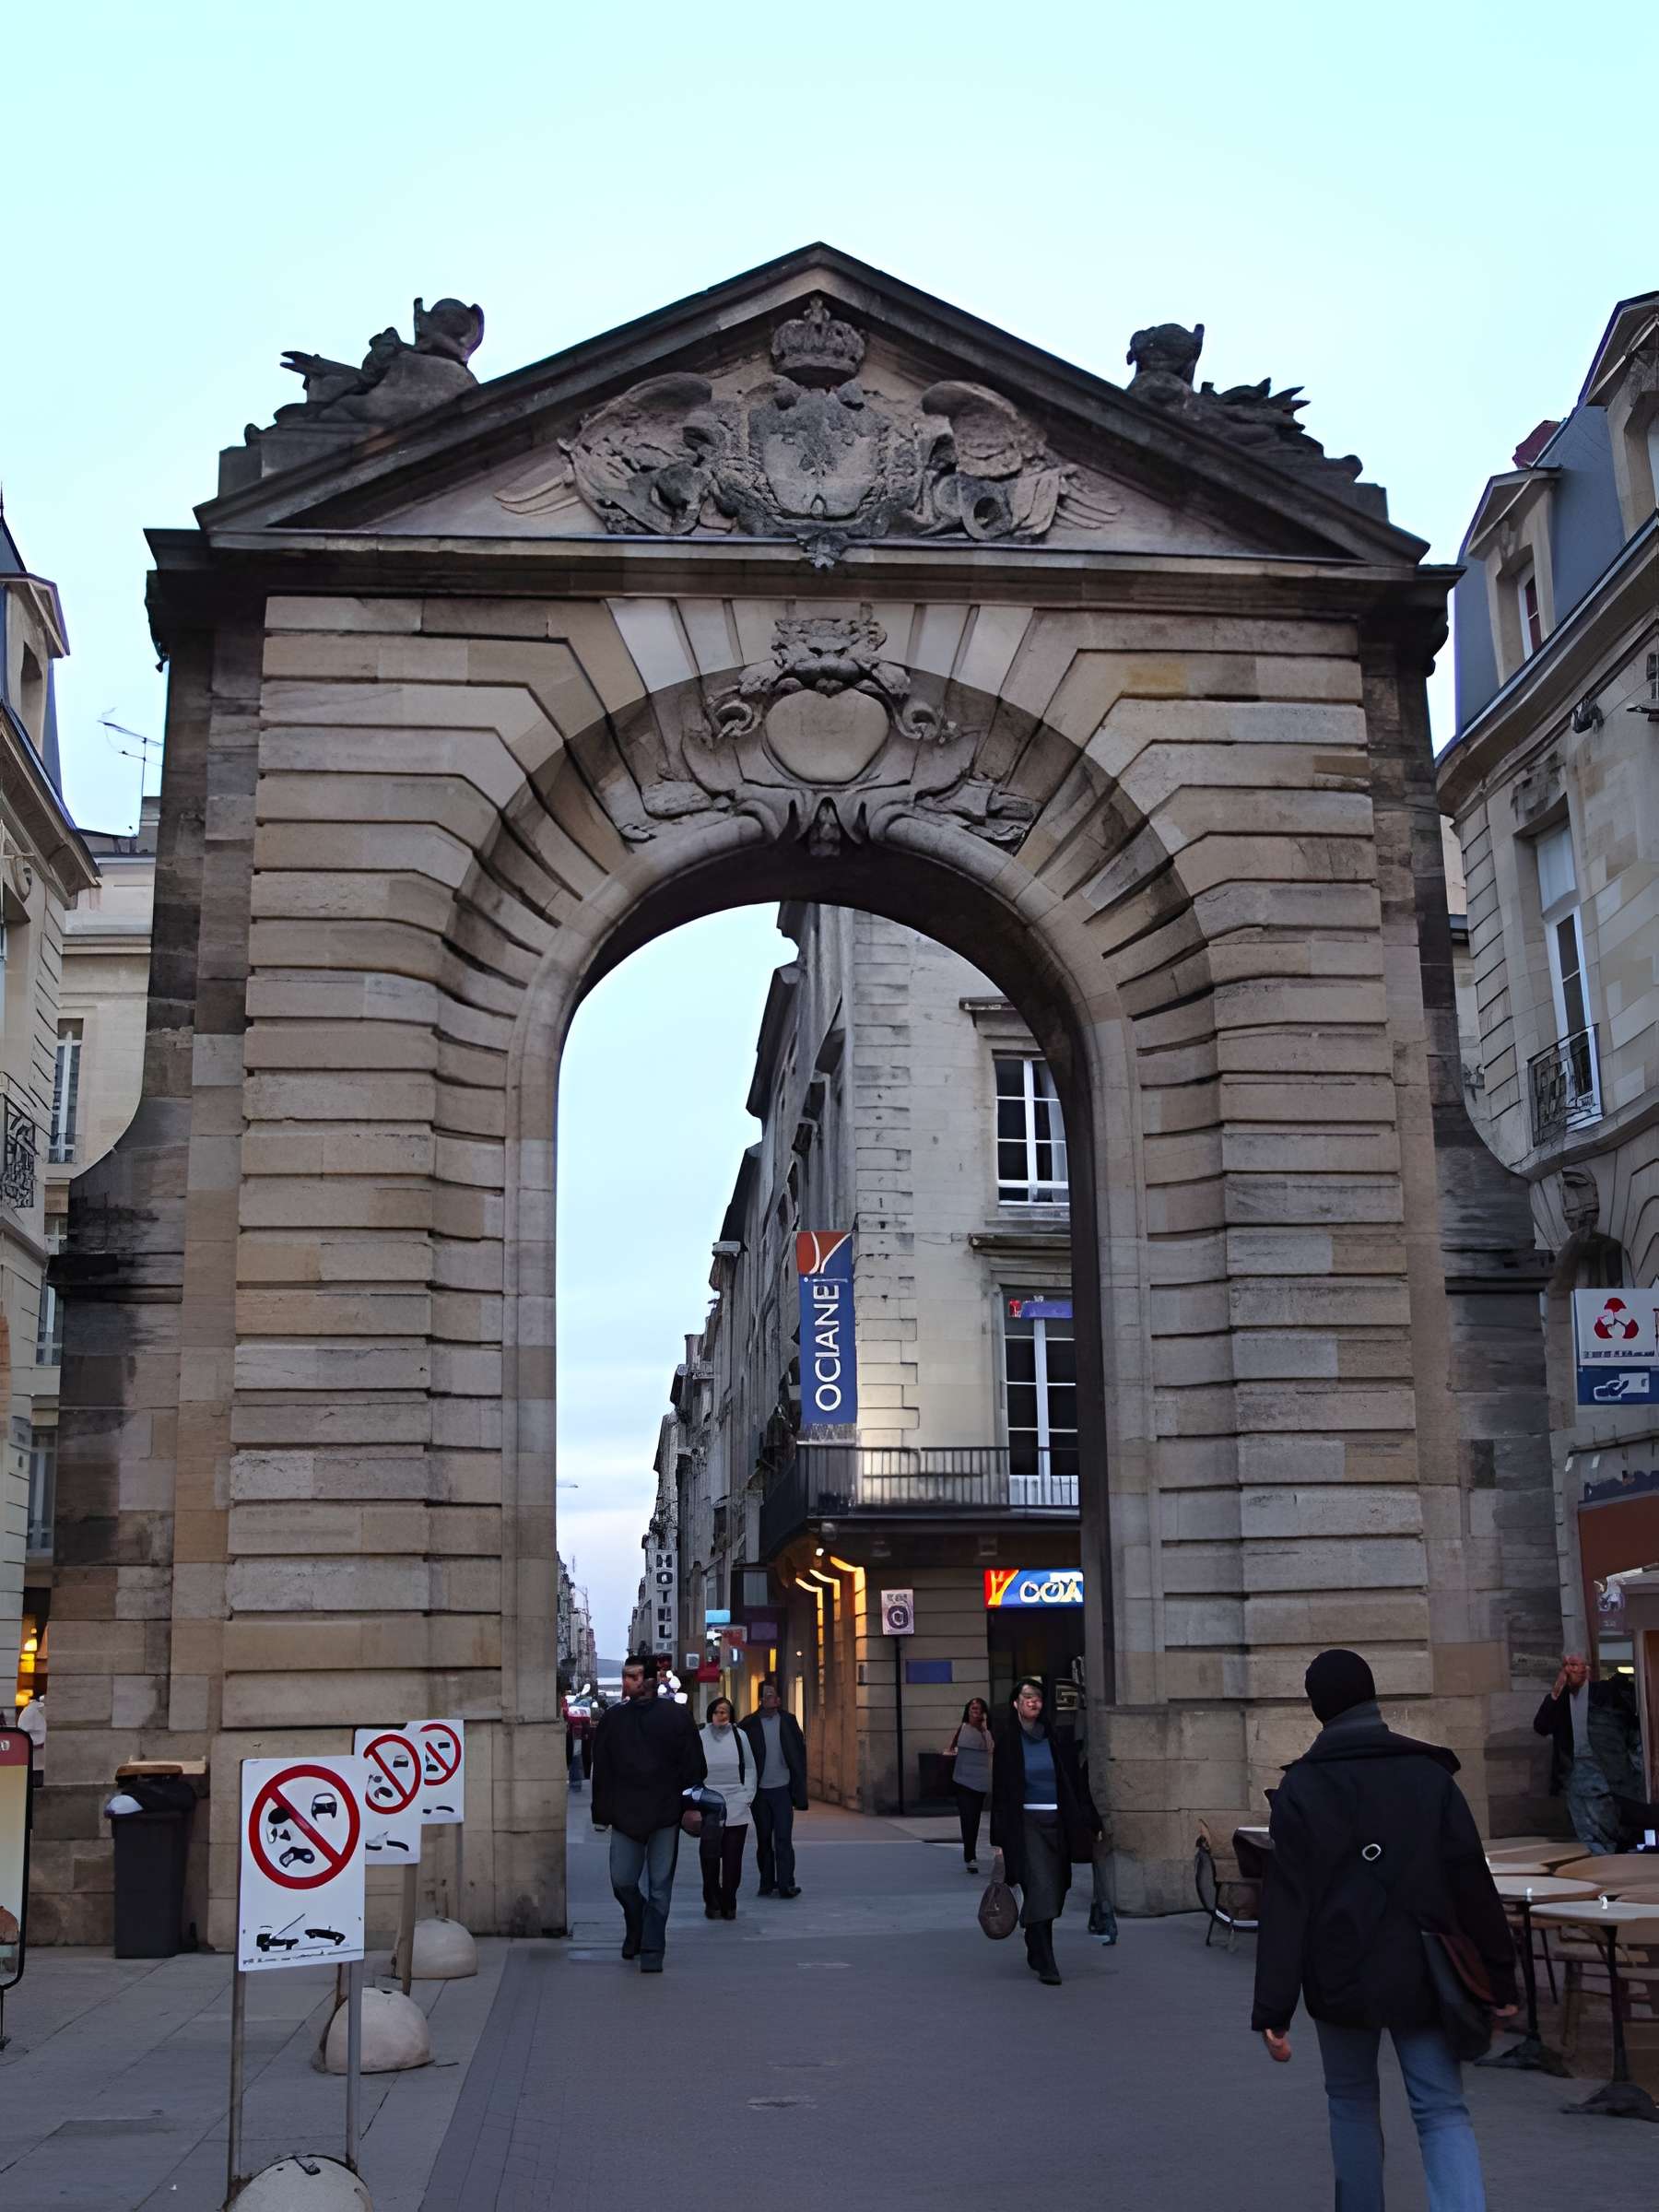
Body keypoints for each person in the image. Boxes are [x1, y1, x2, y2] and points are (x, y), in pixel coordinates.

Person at [1252, 1649, 1518, 2212]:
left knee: (1350, 2103)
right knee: (1441, 2110)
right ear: (1372, 1696)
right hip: (1425, 1969)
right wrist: (1500, 1979)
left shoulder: (1301, 1788)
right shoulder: (1428, 1775)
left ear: (1319, 1708)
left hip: (1338, 1969)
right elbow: (1471, 1882)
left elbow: (1286, 1907)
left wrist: (1274, 2007)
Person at [590, 1651, 706, 1972]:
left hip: (665, 1813)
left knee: (660, 1885)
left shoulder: (676, 1717)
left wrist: (691, 1807)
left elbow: (693, 1766)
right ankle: (637, 1924)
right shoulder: (613, 1719)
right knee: (622, 1881)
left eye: (634, 1676)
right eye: (626, 1676)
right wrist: (601, 1814)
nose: (628, 1682)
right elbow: (603, 1770)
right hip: (626, 1814)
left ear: (652, 1680)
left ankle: (653, 1947)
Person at [989, 1677, 1102, 1985]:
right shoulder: (1008, 1743)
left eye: (1038, 1697)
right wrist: (998, 1840)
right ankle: (1047, 1960)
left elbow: (1074, 1783)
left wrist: (1091, 1820)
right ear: (1015, 1703)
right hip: (1026, 1826)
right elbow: (1001, 1794)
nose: (1033, 1701)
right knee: (1041, 1887)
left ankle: (1034, 1936)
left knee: (1057, 1887)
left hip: (1057, 1824)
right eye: (1027, 1696)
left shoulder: (1054, 1738)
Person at [1532, 1651, 1642, 1854]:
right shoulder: (1560, 1698)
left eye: (1576, 1665)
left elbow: (1630, 1727)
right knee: (1584, 1826)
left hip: (1604, 1769)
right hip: (1574, 1770)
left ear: (1587, 1669)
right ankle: (1598, 1860)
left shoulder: (1605, 1694)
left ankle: (1610, 1859)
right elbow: (1541, 1726)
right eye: (1568, 1666)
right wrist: (1556, 1692)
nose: (1571, 1670)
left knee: (1607, 1824)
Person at [739, 1677, 808, 1898]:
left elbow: (799, 1752)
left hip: (782, 1789)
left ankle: (787, 1883)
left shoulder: (788, 1721)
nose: (770, 1697)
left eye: (773, 1694)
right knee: (763, 1839)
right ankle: (767, 1882)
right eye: (766, 1694)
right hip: (760, 1791)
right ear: (761, 1699)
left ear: (778, 1699)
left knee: (783, 1838)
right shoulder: (749, 1724)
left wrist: (799, 1785)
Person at [698, 1695, 755, 1919]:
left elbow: (750, 1767)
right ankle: (712, 1900)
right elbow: (692, 1768)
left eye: (725, 1712)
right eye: (717, 1711)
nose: (721, 1715)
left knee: (732, 1858)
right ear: (710, 1714)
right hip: (709, 1804)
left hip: (736, 1803)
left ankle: (729, 1901)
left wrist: (747, 1795)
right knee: (710, 1856)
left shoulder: (740, 1736)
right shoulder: (700, 1736)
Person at [943, 1697, 994, 1873]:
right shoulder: (963, 1728)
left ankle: (970, 1853)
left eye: (978, 1708)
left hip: (979, 1781)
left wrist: (984, 1728)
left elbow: (990, 1749)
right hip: (962, 1780)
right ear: (968, 1710)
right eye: (972, 1707)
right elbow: (951, 1749)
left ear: (983, 1711)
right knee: (967, 1818)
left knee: (975, 1818)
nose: (975, 1710)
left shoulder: (986, 1731)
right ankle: (970, 1856)